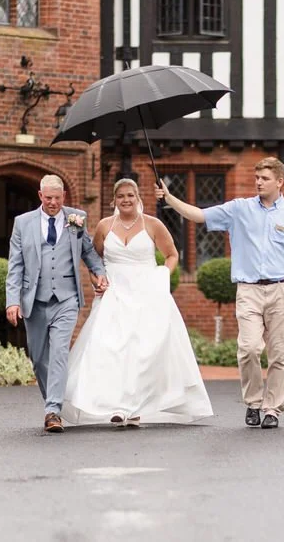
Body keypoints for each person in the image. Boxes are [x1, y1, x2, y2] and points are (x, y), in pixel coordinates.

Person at [155, 157, 284, 430]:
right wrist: (170, 199)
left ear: (279, 181)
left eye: (264, 178)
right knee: (249, 349)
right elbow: (199, 215)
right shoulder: (239, 209)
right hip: (249, 290)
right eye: (257, 178)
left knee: (280, 355)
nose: (258, 182)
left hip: (283, 290)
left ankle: (271, 409)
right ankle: (253, 402)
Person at [61, 177, 213, 427]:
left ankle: (136, 407)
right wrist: (97, 280)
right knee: (111, 349)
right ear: (114, 200)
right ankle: (118, 406)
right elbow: (94, 260)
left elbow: (172, 255)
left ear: (138, 197)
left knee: (142, 351)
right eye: (121, 196)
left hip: (147, 293)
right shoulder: (104, 226)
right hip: (114, 294)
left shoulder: (153, 224)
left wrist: (163, 275)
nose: (126, 200)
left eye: (130, 195)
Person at [6, 174, 108, 434]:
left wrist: (100, 272)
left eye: (57, 198)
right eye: (48, 198)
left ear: (64, 197)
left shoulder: (76, 219)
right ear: (40, 196)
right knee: (39, 358)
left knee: (60, 352)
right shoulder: (23, 223)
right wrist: (12, 302)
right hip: (35, 300)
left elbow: (88, 251)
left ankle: (53, 410)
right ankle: (51, 402)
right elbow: (15, 266)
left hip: (66, 298)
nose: (53, 203)